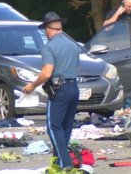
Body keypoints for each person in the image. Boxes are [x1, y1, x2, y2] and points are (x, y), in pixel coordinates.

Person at [23, 12, 80, 173]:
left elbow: (47, 73)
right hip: (74, 88)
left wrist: (32, 86)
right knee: (66, 127)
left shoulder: (49, 47)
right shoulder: (72, 45)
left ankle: (65, 162)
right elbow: (77, 68)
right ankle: (58, 160)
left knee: (53, 126)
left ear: (48, 29)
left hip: (59, 89)